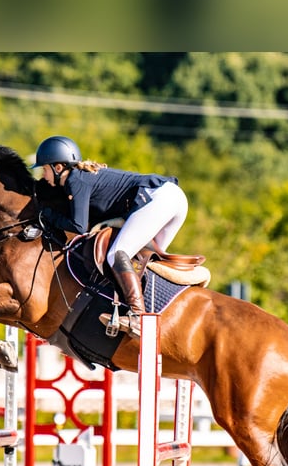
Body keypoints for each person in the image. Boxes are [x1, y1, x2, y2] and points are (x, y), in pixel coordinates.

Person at [32, 135, 188, 338]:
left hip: (159, 198)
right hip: (174, 198)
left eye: (45, 169)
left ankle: (138, 317)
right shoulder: (81, 177)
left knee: (117, 254)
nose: (44, 175)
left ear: (58, 167)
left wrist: (46, 215)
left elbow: (78, 227)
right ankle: (156, 308)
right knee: (142, 260)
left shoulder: (75, 180)